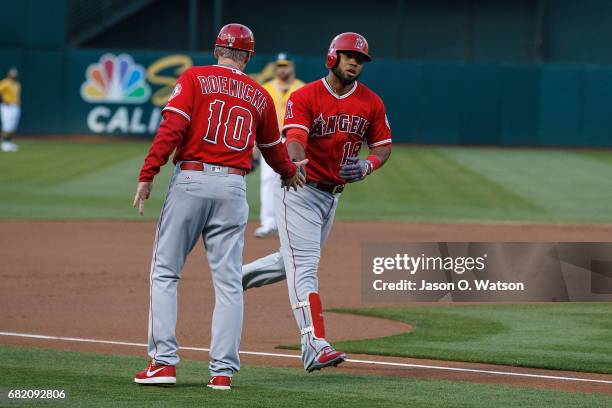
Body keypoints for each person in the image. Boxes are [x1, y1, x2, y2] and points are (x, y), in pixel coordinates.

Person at [132, 23, 306, 390]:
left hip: (192, 179)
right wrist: (289, 173)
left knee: (165, 272)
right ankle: (222, 371)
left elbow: (172, 129)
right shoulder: (259, 94)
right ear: (248, 57)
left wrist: (148, 173)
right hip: (233, 187)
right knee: (228, 283)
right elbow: (274, 147)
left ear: (217, 50)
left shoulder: (194, 78)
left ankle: (163, 364)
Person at [242, 33, 392, 372]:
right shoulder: (306, 95)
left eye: (360, 59)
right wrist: (295, 163)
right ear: (332, 57)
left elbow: (382, 144)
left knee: (289, 262)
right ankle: (314, 343)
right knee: (305, 267)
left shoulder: (371, 102)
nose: (355, 62)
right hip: (300, 189)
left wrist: (369, 165)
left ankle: (230, 280)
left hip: (331, 197)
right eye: (349, 56)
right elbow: (294, 137)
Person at [254, 53, 305, 238]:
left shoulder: (302, 88)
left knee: (297, 179)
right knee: (268, 180)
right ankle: (268, 222)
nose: (282, 69)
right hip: (270, 139)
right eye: (279, 65)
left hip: (294, 139)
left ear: (292, 67)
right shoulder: (266, 87)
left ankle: (294, 223)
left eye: (286, 65)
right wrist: (254, 145)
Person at [0, 68, 21, 152]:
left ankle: (9, 142)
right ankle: (4, 143)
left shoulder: (17, 84)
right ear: (9, 74)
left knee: (12, 125)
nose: (13, 76)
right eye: (12, 74)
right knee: (7, 125)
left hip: (15, 106)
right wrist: (3, 99)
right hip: (7, 106)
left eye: (14, 74)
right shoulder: (5, 82)